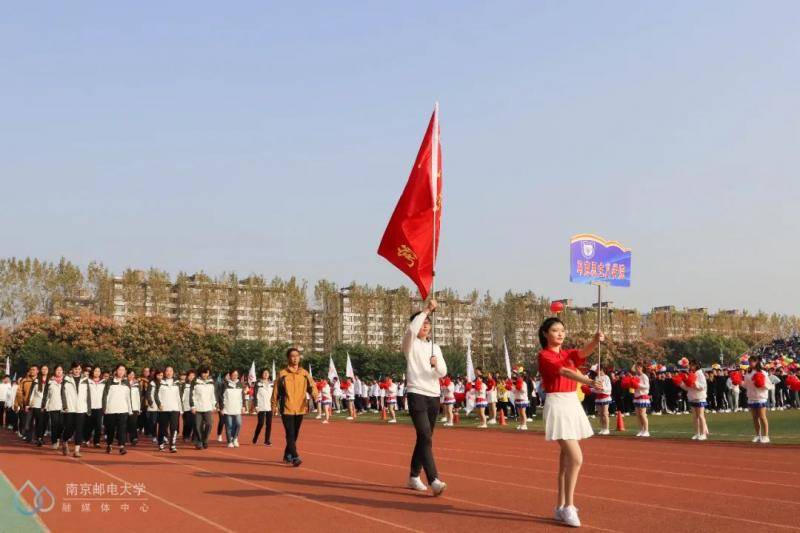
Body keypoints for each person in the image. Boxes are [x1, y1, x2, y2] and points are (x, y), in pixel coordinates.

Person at [537, 317, 603, 528]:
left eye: (562, 330)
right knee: (576, 458)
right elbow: (564, 371)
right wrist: (590, 382)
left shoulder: (567, 354)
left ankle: (560, 506)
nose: (560, 333)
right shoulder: (544, 355)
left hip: (571, 403)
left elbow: (583, 353)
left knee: (565, 462)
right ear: (546, 333)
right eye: (555, 330)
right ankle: (569, 507)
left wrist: (595, 340)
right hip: (557, 404)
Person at [403, 299, 448, 496]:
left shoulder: (435, 348)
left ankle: (414, 476)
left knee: (425, 438)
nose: (425, 327)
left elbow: (444, 372)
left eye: (428, 324)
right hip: (416, 393)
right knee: (425, 436)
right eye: (422, 323)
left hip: (433, 395)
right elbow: (411, 331)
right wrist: (425, 311)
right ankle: (434, 479)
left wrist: (436, 364)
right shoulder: (409, 344)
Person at [272, 347, 318, 467]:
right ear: (288, 358)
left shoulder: (304, 373)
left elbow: (312, 386)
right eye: (292, 356)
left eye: (297, 356)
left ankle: (287, 453)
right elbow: (275, 391)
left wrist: (315, 395)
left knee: (295, 433)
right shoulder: (282, 374)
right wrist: (273, 405)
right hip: (286, 407)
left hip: (300, 407)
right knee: (290, 433)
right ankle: (295, 456)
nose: (295, 358)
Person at [61, 362, 91, 457]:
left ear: (81, 370)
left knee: (79, 429)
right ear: (72, 369)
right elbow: (62, 394)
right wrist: (65, 405)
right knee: (69, 428)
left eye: (78, 369)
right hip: (70, 408)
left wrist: (88, 407)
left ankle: (76, 450)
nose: (77, 371)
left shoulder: (85, 380)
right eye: (75, 369)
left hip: (81, 408)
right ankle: (65, 440)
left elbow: (88, 395)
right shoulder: (66, 379)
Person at [102, 364, 132, 455]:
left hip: (123, 409)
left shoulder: (126, 382)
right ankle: (109, 444)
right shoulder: (109, 382)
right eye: (119, 370)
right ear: (116, 371)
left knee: (122, 429)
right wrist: (105, 408)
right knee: (110, 429)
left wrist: (130, 409)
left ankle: (121, 446)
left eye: (123, 370)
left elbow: (128, 397)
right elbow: (105, 395)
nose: (121, 372)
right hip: (111, 409)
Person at [742, 356, 772, 443]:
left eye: (752, 362)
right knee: (754, 418)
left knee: (762, 417)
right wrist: (739, 382)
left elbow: (769, 385)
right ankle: (757, 435)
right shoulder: (748, 372)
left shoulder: (762, 372)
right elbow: (746, 385)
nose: (751, 363)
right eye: (749, 362)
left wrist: (761, 384)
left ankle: (766, 436)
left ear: (756, 362)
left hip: (760, 397)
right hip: (751, 397)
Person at [678, 360, 709, 441]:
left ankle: (703, 434)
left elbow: (703, 386)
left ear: (696, 366)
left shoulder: (700, 373)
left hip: (700, 397)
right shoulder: (691, 373)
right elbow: (688, 388)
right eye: (690, 365)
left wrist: (694, 383)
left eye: (692, 365)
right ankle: (697, 433)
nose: (690, 366)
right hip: (692, 397)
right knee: (695, 417)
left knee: (701, 416)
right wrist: (681, 383)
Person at [154, 366, 182, 452]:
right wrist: (159, 404)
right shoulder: (160, 383)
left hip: (175, 409)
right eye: (167, 371)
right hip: (164, 409)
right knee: (163, 427)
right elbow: (156, 395)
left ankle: (172, 445)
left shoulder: (177, 383)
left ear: (173, 372)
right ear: (165, 372)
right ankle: (161, 443)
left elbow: (179, 397)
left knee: (174, 427)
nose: (169, 373)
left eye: (171, 371)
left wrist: (180, 409)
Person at [190, 366, 217, 450]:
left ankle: (205, 440)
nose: (205, 374)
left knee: (209, 424)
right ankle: (199, 442)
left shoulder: (211, 382)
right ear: (200, 373)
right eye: (203, 372)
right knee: (198, 426)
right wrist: (192, 406)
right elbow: (192, 395)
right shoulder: (195, 382)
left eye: (207, 372)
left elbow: (213, 395)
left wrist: (214, 405)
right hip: (198, 408)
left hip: (208, 407)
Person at [41, 365, 66, 451]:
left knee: (62, 425)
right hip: (53, 406)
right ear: (54, 371)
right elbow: (45, 394)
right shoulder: (50, 381)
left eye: (60, 370)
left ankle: (59, 438)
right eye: (57, 370)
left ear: (63, 372)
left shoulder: (66, 381)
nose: (59, 372)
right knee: (54, 424)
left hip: (64, 407)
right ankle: (54, 441)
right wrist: (43, 404)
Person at [219, 369, 244, 448]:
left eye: (236, 375)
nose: (235, 376)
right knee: (229, 425)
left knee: (238, 423)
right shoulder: (225, 384)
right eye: (233, 375)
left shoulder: (240, 384)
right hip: (228, 408)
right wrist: (222, 408)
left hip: (237, 408)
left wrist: (243, 406)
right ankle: (229, 441)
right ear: (230, 375)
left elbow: (242, 396)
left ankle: (235, 438)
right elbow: (221, 397)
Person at [252, 369, 273, 445]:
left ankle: (267, 440)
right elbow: (254, 395)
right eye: (264, 373)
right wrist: (256, 406)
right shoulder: (258, 383)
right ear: (262, 374)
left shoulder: (272, 383)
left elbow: (274, 395)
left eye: (267, 373)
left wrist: (275, 405)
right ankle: (255, 436)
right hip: (260, 406)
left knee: (269, 424)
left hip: (269, 406)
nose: (266, 374)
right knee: (260, 423)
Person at [86, 366, 105, 448]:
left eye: (98, 371)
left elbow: (105, 395)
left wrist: (104, 406)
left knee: (98, 425)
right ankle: (86, 439)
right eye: (95, 371)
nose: (97, 373)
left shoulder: (103, 382)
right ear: (92, 372)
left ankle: (96, 442)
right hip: (90, 406)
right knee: (89, 425)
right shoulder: (88, 381)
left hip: (99, 407)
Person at [632, 362, 650, 438]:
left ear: (642, 368)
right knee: (638, 415)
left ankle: (646, 431)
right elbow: (633, 386)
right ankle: (641, 430)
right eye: (637, 367)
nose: (637, 368)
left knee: (643, 414)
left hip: (643, 397)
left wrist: (637, 385)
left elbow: (647, 386)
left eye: (639, 367)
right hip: (636, 397)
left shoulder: (644, 376)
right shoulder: (635, 376)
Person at [592, 367, 612, 435]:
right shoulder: (596, 377)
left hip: (605, 397)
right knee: (600, 414)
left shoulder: (606, 377)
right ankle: (602, 428)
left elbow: (609, 389)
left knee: (605, 413)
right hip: (598, 397)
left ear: (602, 370)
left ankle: (606, 428)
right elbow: (595, 388)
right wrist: (591, 389)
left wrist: (602, 387)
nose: (597, 371)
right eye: (596, 370)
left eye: (598, 370)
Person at [180, 369, 196, 442]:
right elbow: (181, 396)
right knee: (188, 423)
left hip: (195, 406)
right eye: (190, 375)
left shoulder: (197, 384)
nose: (192, 377)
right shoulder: (184, 385)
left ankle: (194, 437)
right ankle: (186, 435)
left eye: (193, 375)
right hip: (186, 406)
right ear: (187, 376)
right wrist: (181, 406)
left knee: (195, 422)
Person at [127, 370, 141, 446]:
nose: (131, 376)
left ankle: (134, 438)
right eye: (130, 374)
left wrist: (139, 408)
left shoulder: (137, 384)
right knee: (125, 423)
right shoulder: (123, 383)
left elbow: (138, 396)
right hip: (125, 407)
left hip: (135, 407)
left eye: (133, 374)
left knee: (133, 423)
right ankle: (123, 438)